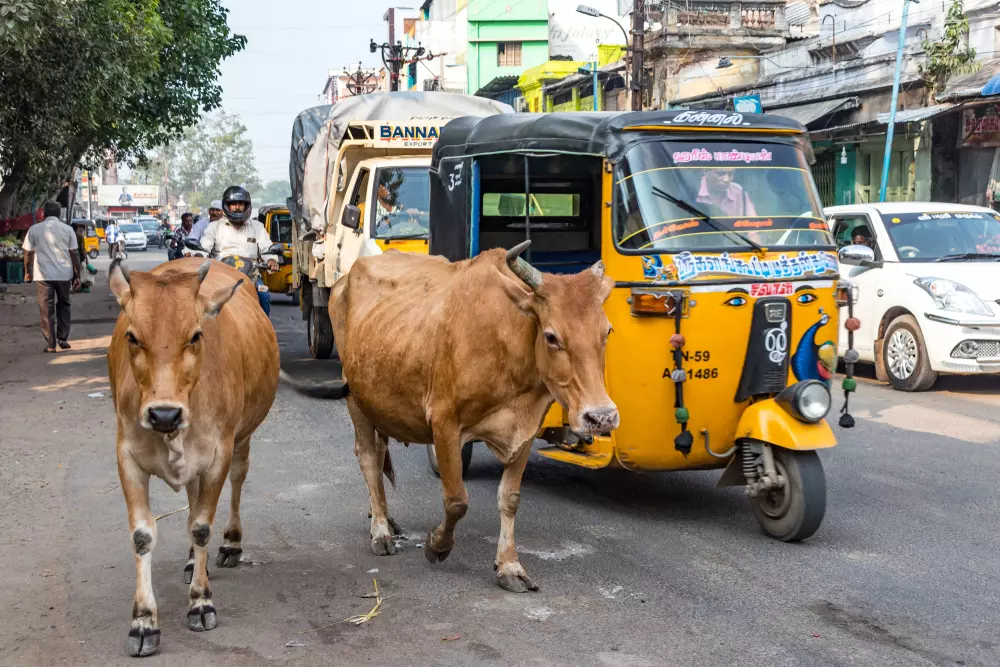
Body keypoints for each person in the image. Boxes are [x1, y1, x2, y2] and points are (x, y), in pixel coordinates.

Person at [198, 187, 279, 315]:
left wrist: (271, 260)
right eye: (233, 204)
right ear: (226, 206)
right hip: (221, 274)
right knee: (201, 300)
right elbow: (204, 246)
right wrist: (199, 255)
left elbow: (267, 248)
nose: (237, 207)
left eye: (241, 204)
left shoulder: (257, 227)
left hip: (250, 275)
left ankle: (263, 328)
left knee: (264, 296)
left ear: (247, 206)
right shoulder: (214, 227)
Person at [22, 201, 81, 353]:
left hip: (43, 275)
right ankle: (63, 338)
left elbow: (28, 252)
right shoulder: (68, 229)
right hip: (64, 274)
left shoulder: (34, 229)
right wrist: (77, 275)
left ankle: (50, 344)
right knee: (64, 305)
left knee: (46, 309)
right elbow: (74, 253)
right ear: (59, 213)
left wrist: (27, 271)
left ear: (44, 213)